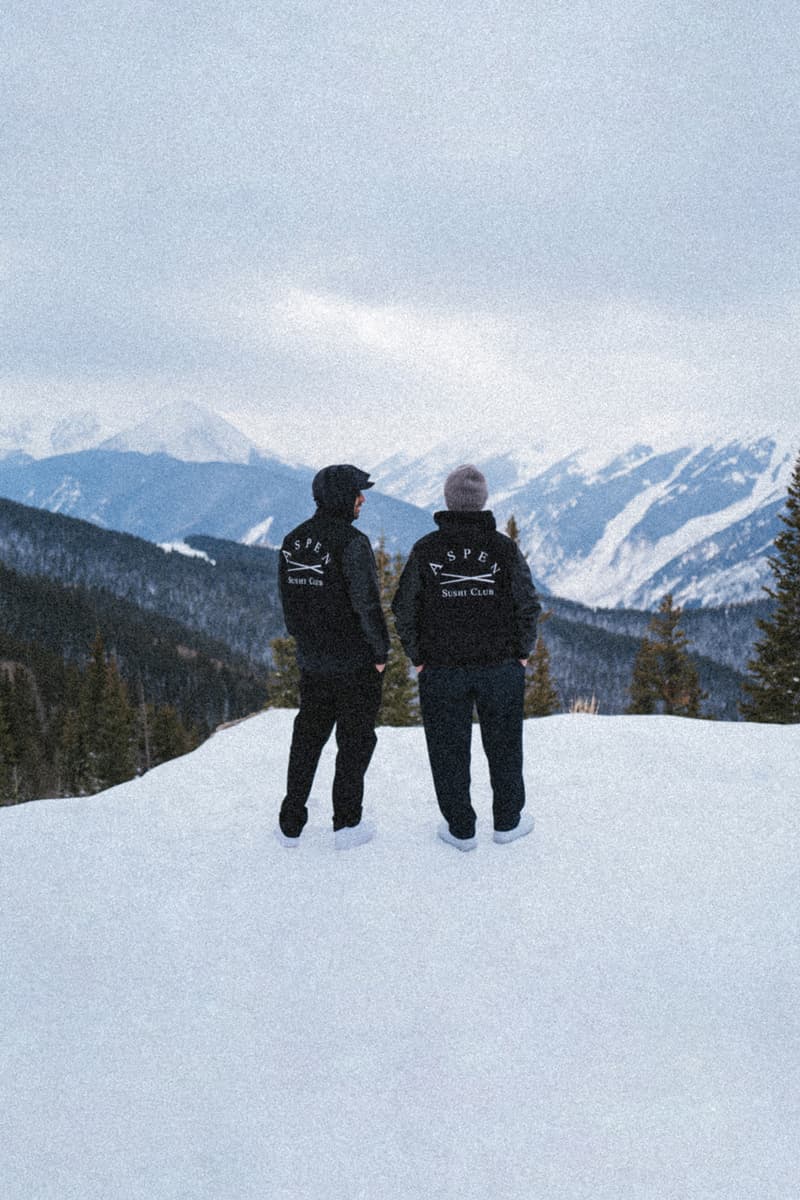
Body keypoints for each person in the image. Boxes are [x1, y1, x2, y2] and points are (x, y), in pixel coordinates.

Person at [392, 464, 541, 850]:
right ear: (483, 500)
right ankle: (507, 823)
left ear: (447, 500)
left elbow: (403, 608)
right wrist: (521, 653)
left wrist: (418, 656)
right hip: (500, 667)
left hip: (441, 670)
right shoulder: (503, 549)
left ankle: (460, 829)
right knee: (505, 745)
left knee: (447, 748)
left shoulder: (427, 549)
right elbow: (528, 604)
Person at [276, 464, 389, 849]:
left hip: (312, 660)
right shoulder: (352, 543)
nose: (363, 498)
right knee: (354, 741)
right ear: (343, 496)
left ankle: (291, 820)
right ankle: (347, 825)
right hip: (355, 662)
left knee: (308, 737)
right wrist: (380, 653)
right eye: (358, 492)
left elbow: (289, 605)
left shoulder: (293, 541)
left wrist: (306, 642)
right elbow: (367, 606)